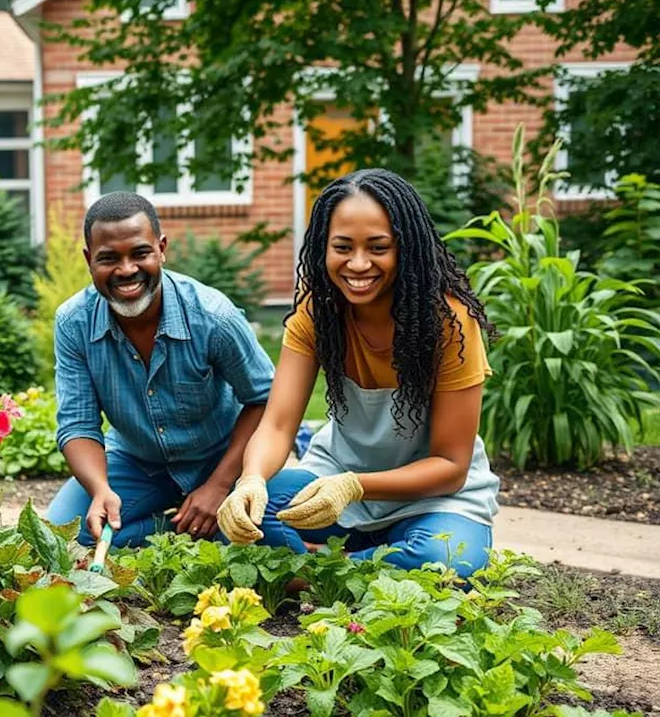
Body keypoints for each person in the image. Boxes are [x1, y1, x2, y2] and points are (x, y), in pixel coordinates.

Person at [217, 169, 500, 578]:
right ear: (323, 248)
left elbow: (451, 465)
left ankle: (319, 571)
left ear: (406, 248)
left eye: (378, 247)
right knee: (249, 518)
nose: (359, 263)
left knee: (447, 562)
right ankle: (359, 565)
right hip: (333, 483)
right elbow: (278, 425)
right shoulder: (317, 313)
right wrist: (251, 479)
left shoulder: (448, 323)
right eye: (342, 247)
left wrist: (356, 485)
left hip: (433, 498)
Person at [46, 191, 275, 547]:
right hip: (136, 461)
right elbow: (78, 424)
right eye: (108, 258)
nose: (126, 270)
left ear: (161, 248)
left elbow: (267, 401)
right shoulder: (73, 322)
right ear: (89, 259)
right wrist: (100, 488)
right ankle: (174, 529)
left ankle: (187, 525)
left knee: (256, 533)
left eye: (140, 253)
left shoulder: (213, 316)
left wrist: (218, 486)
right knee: (61, 535)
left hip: (220, 457)